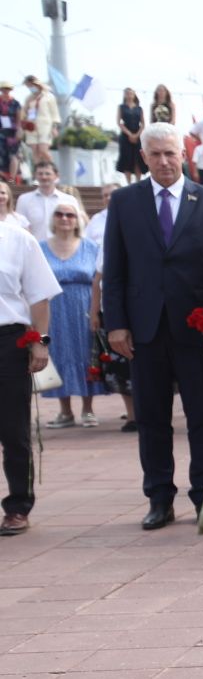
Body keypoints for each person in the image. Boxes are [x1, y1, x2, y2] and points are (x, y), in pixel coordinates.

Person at [101, 122, 203, 530]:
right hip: (144, 331)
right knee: (153, 418)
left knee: (202, 418)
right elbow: (116, 269)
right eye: (155, 154)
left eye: (170, 153)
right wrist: (117, 325)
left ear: (184, 154)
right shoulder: (124, 202)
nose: (163, 161)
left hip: (196, 331)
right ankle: (159, 497)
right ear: (143, 157)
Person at [0, 217, 56, 534]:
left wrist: (40, 343)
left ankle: (18, 505)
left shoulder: (18, 239)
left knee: (13, 429)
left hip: (7, 340)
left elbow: (39, 296)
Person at [37, 195, 105, 429]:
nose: (65, 219)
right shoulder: (40, 247)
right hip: (52, 308)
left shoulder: (91, 247)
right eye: (59, 214)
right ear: (52, 220)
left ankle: (88, 409)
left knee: (86, 353)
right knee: (57, 353)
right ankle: (64, 410)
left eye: (70, 215)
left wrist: (97, 311)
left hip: (83, 307)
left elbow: (99, 280)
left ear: (78, 220)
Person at [18, 160, 62, 242]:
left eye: (47, 174)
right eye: (40, 174)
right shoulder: (24, 199)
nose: (44, 177)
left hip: (61, 249)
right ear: (35, 176)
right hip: (34, 249)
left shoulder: (68, 200)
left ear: (56, 176)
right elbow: (20, 226)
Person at [21, 76, 58, 170]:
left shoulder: (49, 96)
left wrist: (54, 127)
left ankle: (52, 171)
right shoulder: (28, 98)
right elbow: (24, 112)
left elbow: (54, 113)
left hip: (45, 126)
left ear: (36, 84)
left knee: (43, 150)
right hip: (31, 126)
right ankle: (38, 173)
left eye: (31, 85)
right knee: (35, 151)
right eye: (28, 86)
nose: (30, 88)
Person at [116, 87, 146, 180]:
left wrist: (136, 135)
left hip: (138, 134)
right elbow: (119, 122)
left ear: (134, 95)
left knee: (138, 159)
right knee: (127, 159)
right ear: (124, 95)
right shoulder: (121, 107)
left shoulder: (139, 108)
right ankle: (128, 183)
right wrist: (129, 134)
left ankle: (138, 181)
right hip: (125, 135)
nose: (129, 95)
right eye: (127, 93)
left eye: (131, 93)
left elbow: (143, 123)